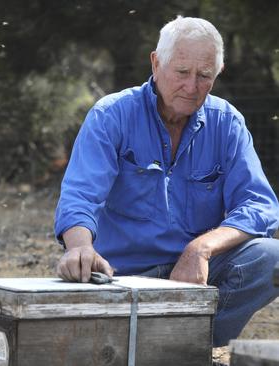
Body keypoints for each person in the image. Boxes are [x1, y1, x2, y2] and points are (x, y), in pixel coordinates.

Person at [53, 16, 279, 348]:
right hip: (120, 276)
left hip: (198, 277)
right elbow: (79, 197)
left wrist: (200, 249)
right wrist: (80, 248)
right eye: (182, 72)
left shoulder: (227, 123)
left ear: (218, 74)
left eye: (204, 76)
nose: (192, 87)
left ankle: (190, 343)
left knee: (271, 256)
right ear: (156, 63)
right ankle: (148, 343)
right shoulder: (110, 115)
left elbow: (260, 206)